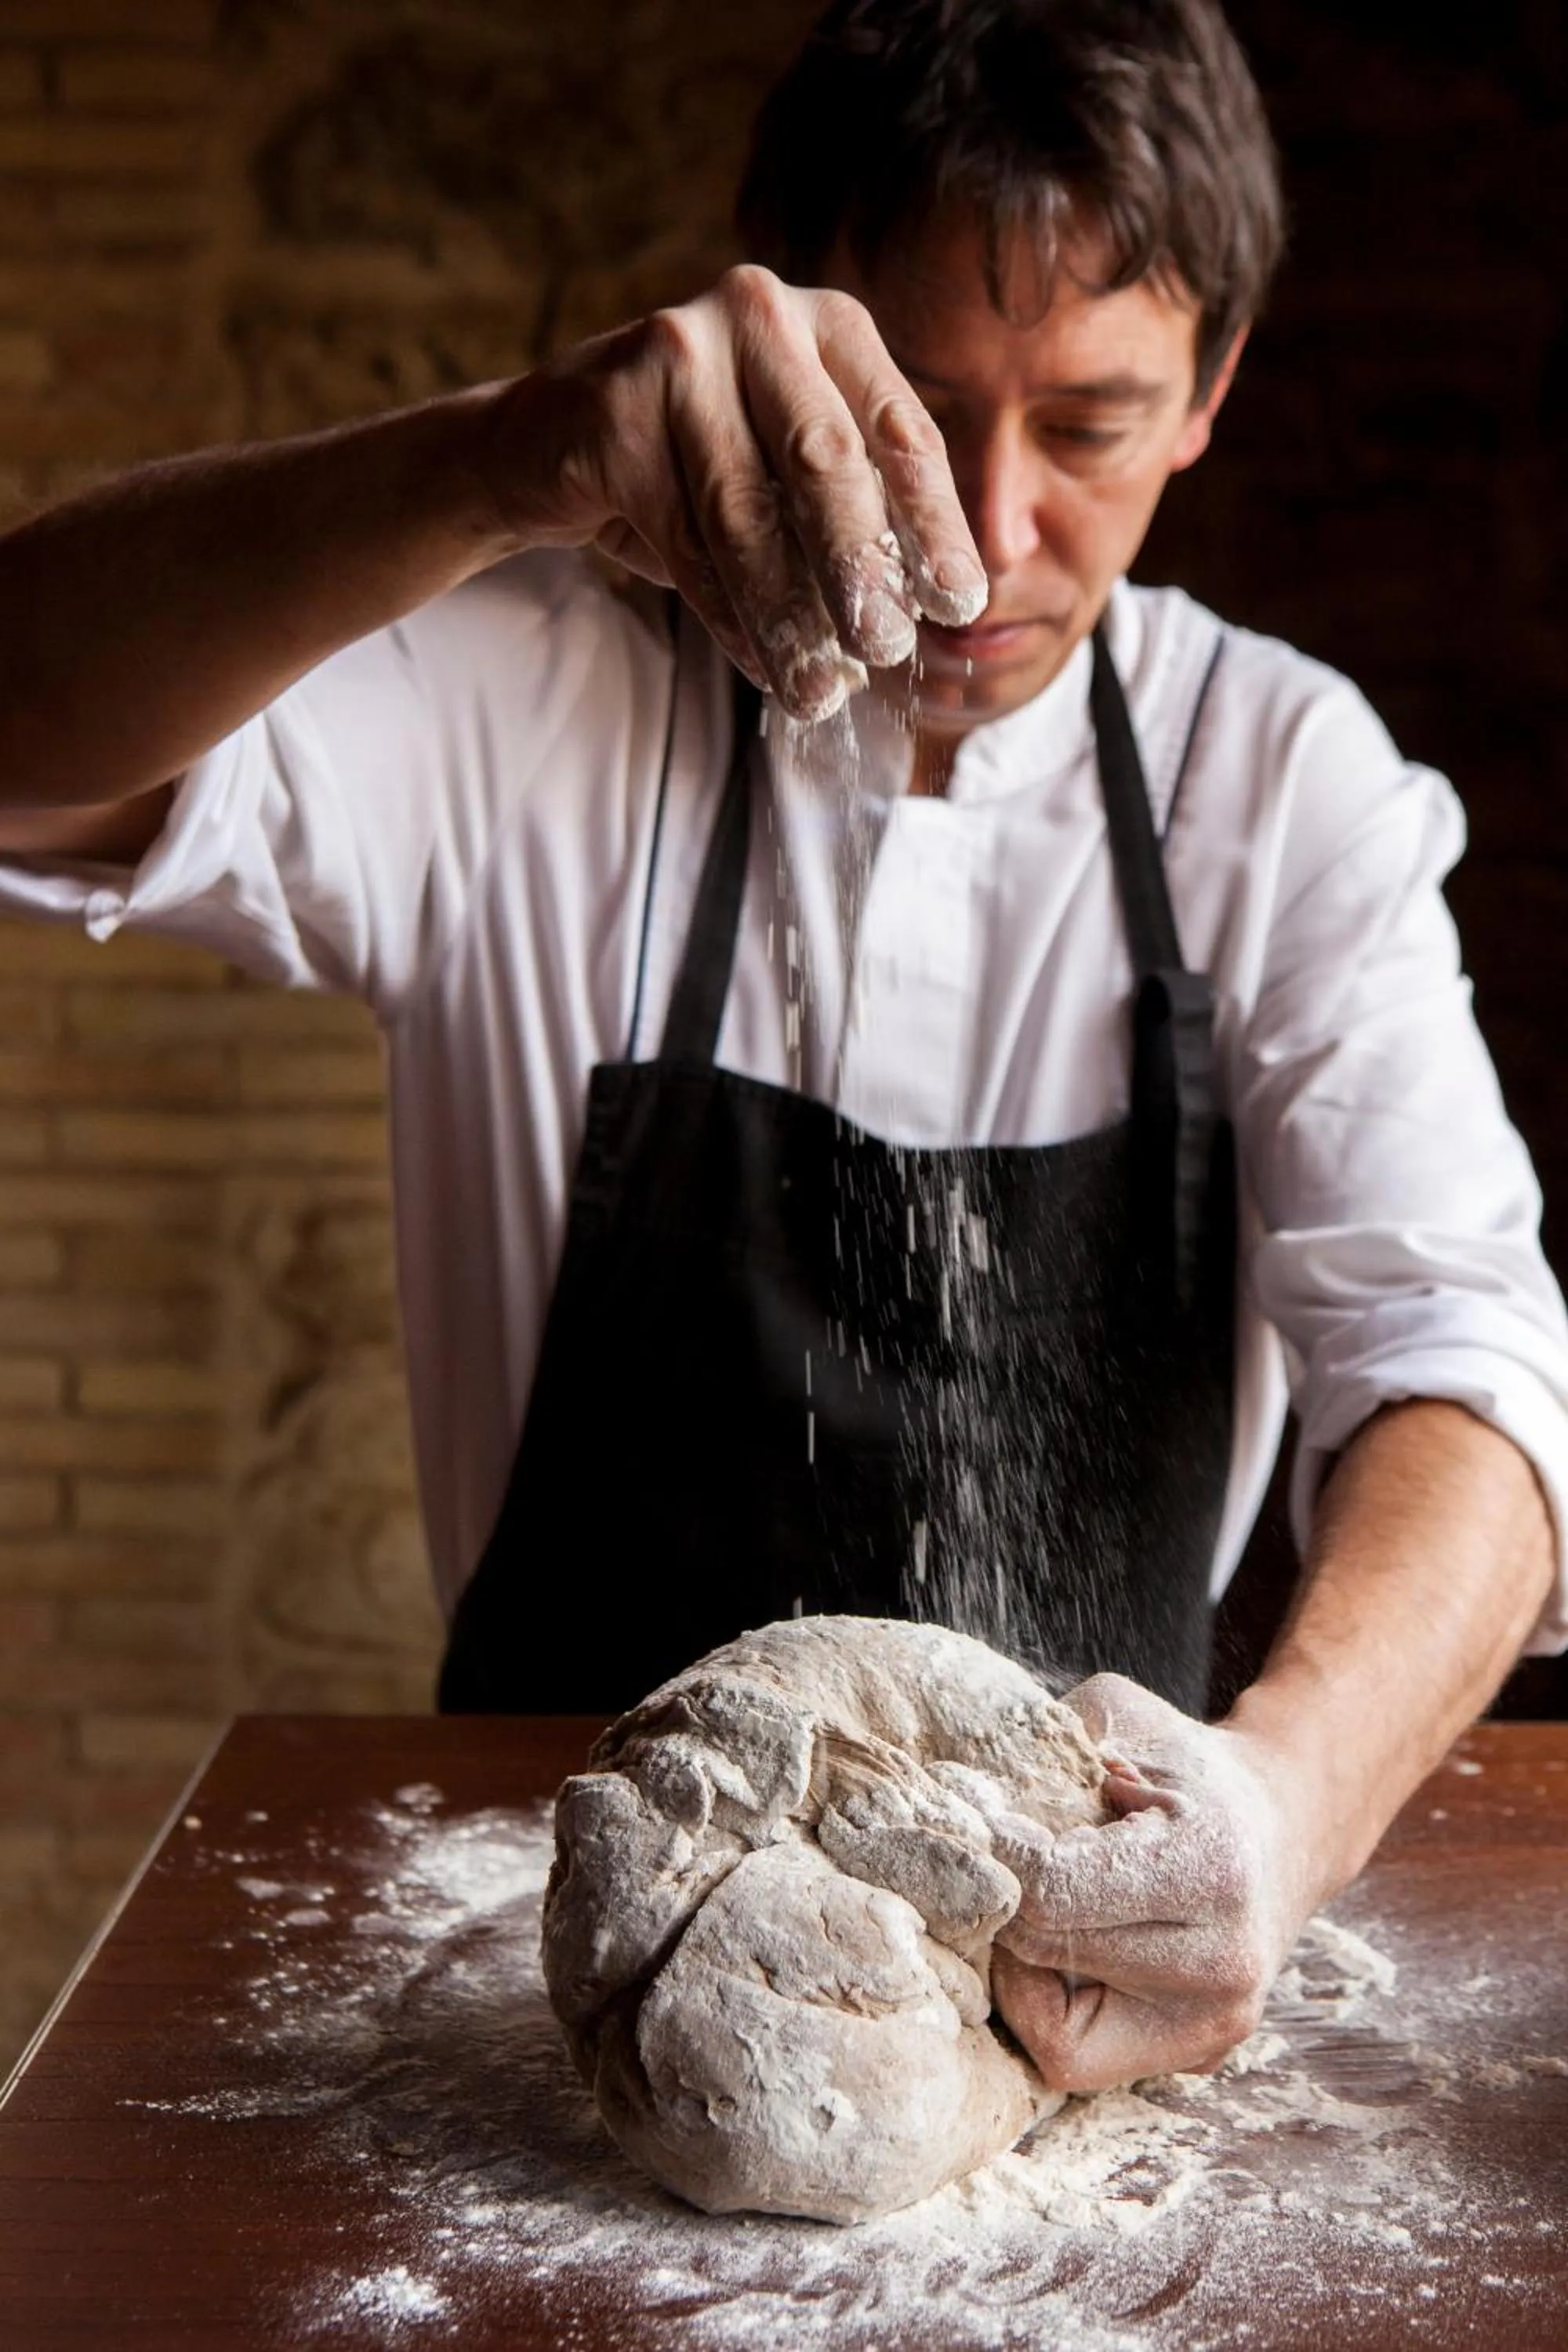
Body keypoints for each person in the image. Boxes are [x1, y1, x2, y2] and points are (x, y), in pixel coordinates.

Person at [0, 0, 1563, 2096]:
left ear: (1212, 392)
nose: (991, 537)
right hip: (525, 1980)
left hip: (1074, 2005)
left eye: (1090, 426)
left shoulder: (1278, 783)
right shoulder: (538, 708)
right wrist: (496, 459)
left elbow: (1468, 1372)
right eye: (919, 409)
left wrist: (1277, 1813)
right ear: (785, 332)